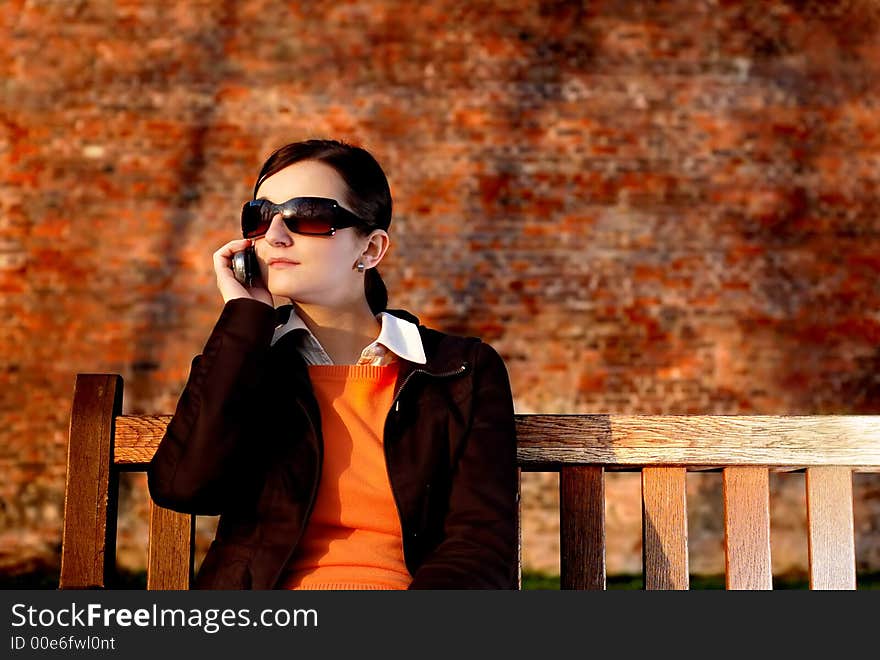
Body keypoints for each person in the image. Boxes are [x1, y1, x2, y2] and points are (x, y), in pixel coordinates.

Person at [147, 138, 519, 590]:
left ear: (371, 249)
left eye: (309, 216)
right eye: (261, 217)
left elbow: (478, 545)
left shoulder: (459, 371)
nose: (276, 235)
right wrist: (245, 316)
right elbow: (184, 487)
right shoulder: (245, 363)